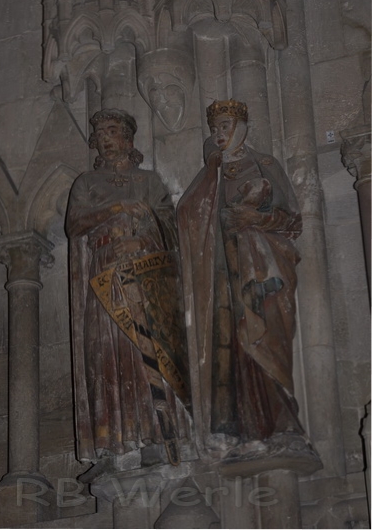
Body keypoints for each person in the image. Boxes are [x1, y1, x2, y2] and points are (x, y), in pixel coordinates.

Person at [177, 99, 306, 459]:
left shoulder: (264, 165)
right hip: (225, 273)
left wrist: (256, 219)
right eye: (214, 128)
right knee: (232, 347)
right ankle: (245, 428)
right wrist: (211, 170)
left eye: (225, 126)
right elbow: (187, 214)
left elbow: (293, 221)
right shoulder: (213, 174)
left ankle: (284, 426)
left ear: (242, 128)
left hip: (264, 270)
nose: (219, 134)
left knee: (267, 339)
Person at [66, 109, 191, 476]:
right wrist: (116, 208)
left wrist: (141, 239)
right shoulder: (87, 182)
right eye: (100, 132)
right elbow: (74, 224)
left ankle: (156, 436)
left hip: (146, 272)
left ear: (128, 137)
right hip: (106, 271)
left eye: (113, 130)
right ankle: (113, 443)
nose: (106, 137)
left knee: (146, 352)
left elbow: (171, 229)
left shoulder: (149, 180)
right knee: (107, 351)